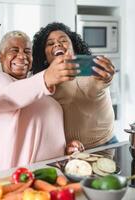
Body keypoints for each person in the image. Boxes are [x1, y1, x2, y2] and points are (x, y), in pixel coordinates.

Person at [0, 30, 84, 176]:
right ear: (1, 56)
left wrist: (66, 148)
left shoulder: (43, 91)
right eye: (14, 50)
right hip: (4, 179)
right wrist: (46, 78)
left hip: (47, 178)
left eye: (27, 51)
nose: (22, 56)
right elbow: (8, 98)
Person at [32, 22, 117, 150]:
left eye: (63, 40)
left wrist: (107, 74)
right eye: (50, 43)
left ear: (74, 49)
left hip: (105, 146)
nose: (57, 44)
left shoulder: (88, 71)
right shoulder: (41, 79)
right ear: (44, 57)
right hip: (69, 150)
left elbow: (101, 80)